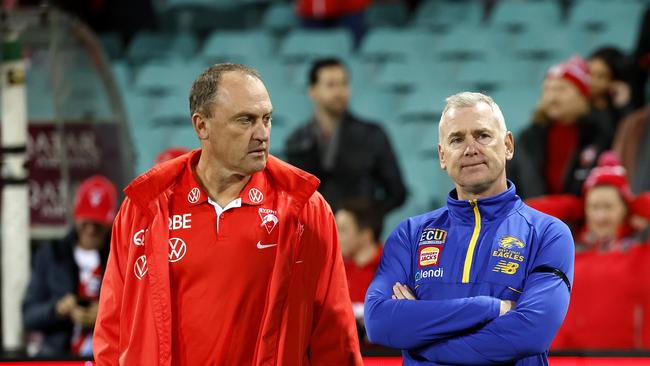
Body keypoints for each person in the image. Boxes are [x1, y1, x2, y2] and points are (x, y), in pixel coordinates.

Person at [93, 63, 362, 365]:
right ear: (201, 126)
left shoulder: (305, 209)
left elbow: (335, 332)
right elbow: (113, 329)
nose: (262, 134)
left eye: (267, 119)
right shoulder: (144, 208)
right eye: (245, 120)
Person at [364, 92, 574, 365]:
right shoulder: (410, 235)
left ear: (508, 145)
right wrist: (489, 308)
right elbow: (379, 322)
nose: (470, 148)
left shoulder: (547, 233)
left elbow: (529, 333)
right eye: (456, 139)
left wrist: (421, 340)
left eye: (483, 135)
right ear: (442, 155)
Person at [286, 58, 406, 215]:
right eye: (331, 85)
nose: (339, 92)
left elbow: (397, 192)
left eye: (344, 83)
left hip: (358, 234)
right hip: (314, 232)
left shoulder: (372, 135)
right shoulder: (296, 141)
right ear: (313, 91)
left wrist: (367, 221)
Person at [23, 175, 117, 357]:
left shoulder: (122, 255)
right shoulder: (51, 254)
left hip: (107, 356)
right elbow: (29, 315)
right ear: (76, 216)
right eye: (86, 221)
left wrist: (108, 315)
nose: (90, 229)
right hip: (59, 355)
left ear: (109, 222)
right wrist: (58, 309)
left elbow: (140, 314)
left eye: (97, 224)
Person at [508, 56, 614, 199]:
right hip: (536, 218)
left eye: (561, 88)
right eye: (548, 89)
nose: (552, 96)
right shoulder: (527, 138)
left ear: (581, 95)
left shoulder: (600, 134)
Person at [334, 197, 383, 343]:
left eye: (342, 230)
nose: (335, 235)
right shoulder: (333, 270)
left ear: (365, 235)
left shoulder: (395, 269)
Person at [588, 46, 632, 130]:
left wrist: (623, 105)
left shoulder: (620, 110)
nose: (591, 81)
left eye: (601, 76)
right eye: (588, 73)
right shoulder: (579, 108)